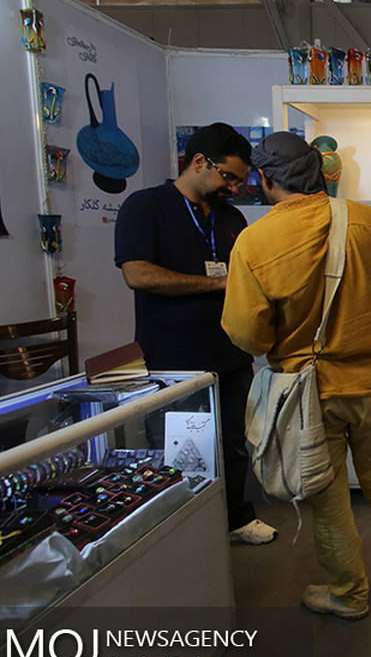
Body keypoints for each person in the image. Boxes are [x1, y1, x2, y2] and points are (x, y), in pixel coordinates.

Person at [220, 131, 371, 621]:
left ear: (265, 179)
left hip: (306, 392)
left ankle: (349, 594)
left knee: (328, 498)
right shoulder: (365, 219)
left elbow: (247, 335)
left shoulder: (253, 241)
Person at [114, 122, 278, 546]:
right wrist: (217, 285)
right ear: (200, 162)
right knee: (183, 446)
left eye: (241, 181)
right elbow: (138, 274)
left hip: (230, 352)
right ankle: (185, 533)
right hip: (173, 357)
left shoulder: (230, 217)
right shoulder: (145, 206)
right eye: (229, 177)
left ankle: (235, 518)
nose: (234, 188)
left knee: (234, 441)